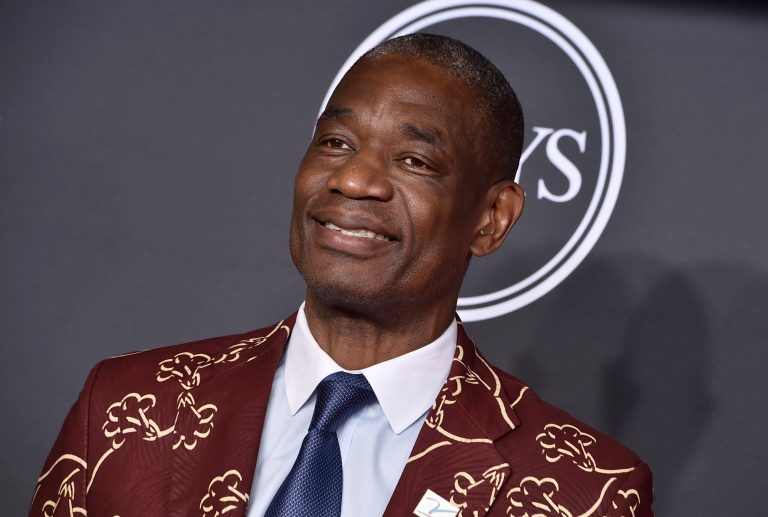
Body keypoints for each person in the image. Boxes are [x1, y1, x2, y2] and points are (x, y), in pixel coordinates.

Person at [30, 34, 653, 517]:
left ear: (491, 218)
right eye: (334, 142)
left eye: (414, 159)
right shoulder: (124, 406)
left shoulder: (586, 490)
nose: (354, 179)